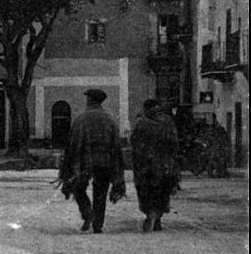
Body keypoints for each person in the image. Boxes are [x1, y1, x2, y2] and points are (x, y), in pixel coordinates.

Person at [58, 89, 126, 234]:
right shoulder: (110, 119)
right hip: (105, 162)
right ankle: (98, 225)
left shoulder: (81, 118)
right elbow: (116, 144)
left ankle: (88, 213)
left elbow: (72, 143)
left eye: (87, 98)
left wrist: (69, 164)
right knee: (101, 192)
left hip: (84, 163)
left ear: (90, 100)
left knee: (77, 188)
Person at [131, 99, 181, 232]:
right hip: (164, 164)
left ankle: (150, 214)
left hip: (145, 165)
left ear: (146, 108)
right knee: (162, 191)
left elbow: (134, 142)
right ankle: (158, 217)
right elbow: (174, 144)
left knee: (146, 191)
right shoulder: (168, 121)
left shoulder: (141, 122)